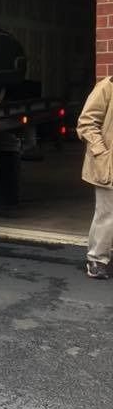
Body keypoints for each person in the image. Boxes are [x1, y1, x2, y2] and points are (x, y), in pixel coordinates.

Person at [78, 76, 113, 277]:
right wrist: (101, 151)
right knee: (107, 214)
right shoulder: (106, 88)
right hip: (108, 164)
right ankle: (97, 260)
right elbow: (86, 123)